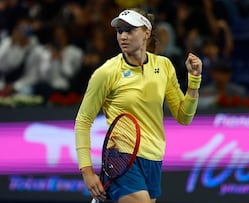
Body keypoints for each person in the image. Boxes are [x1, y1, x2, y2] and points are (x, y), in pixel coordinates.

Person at [74, 8, 202, 203]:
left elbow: (184, 117)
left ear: (146, 33)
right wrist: (87, 172)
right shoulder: (107, 72)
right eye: (120, 31)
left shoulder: (164, 66)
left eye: (130, 30)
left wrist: (194, 81)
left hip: (154, 159)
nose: (123, 36)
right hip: (121, 158)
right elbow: (83, 121)